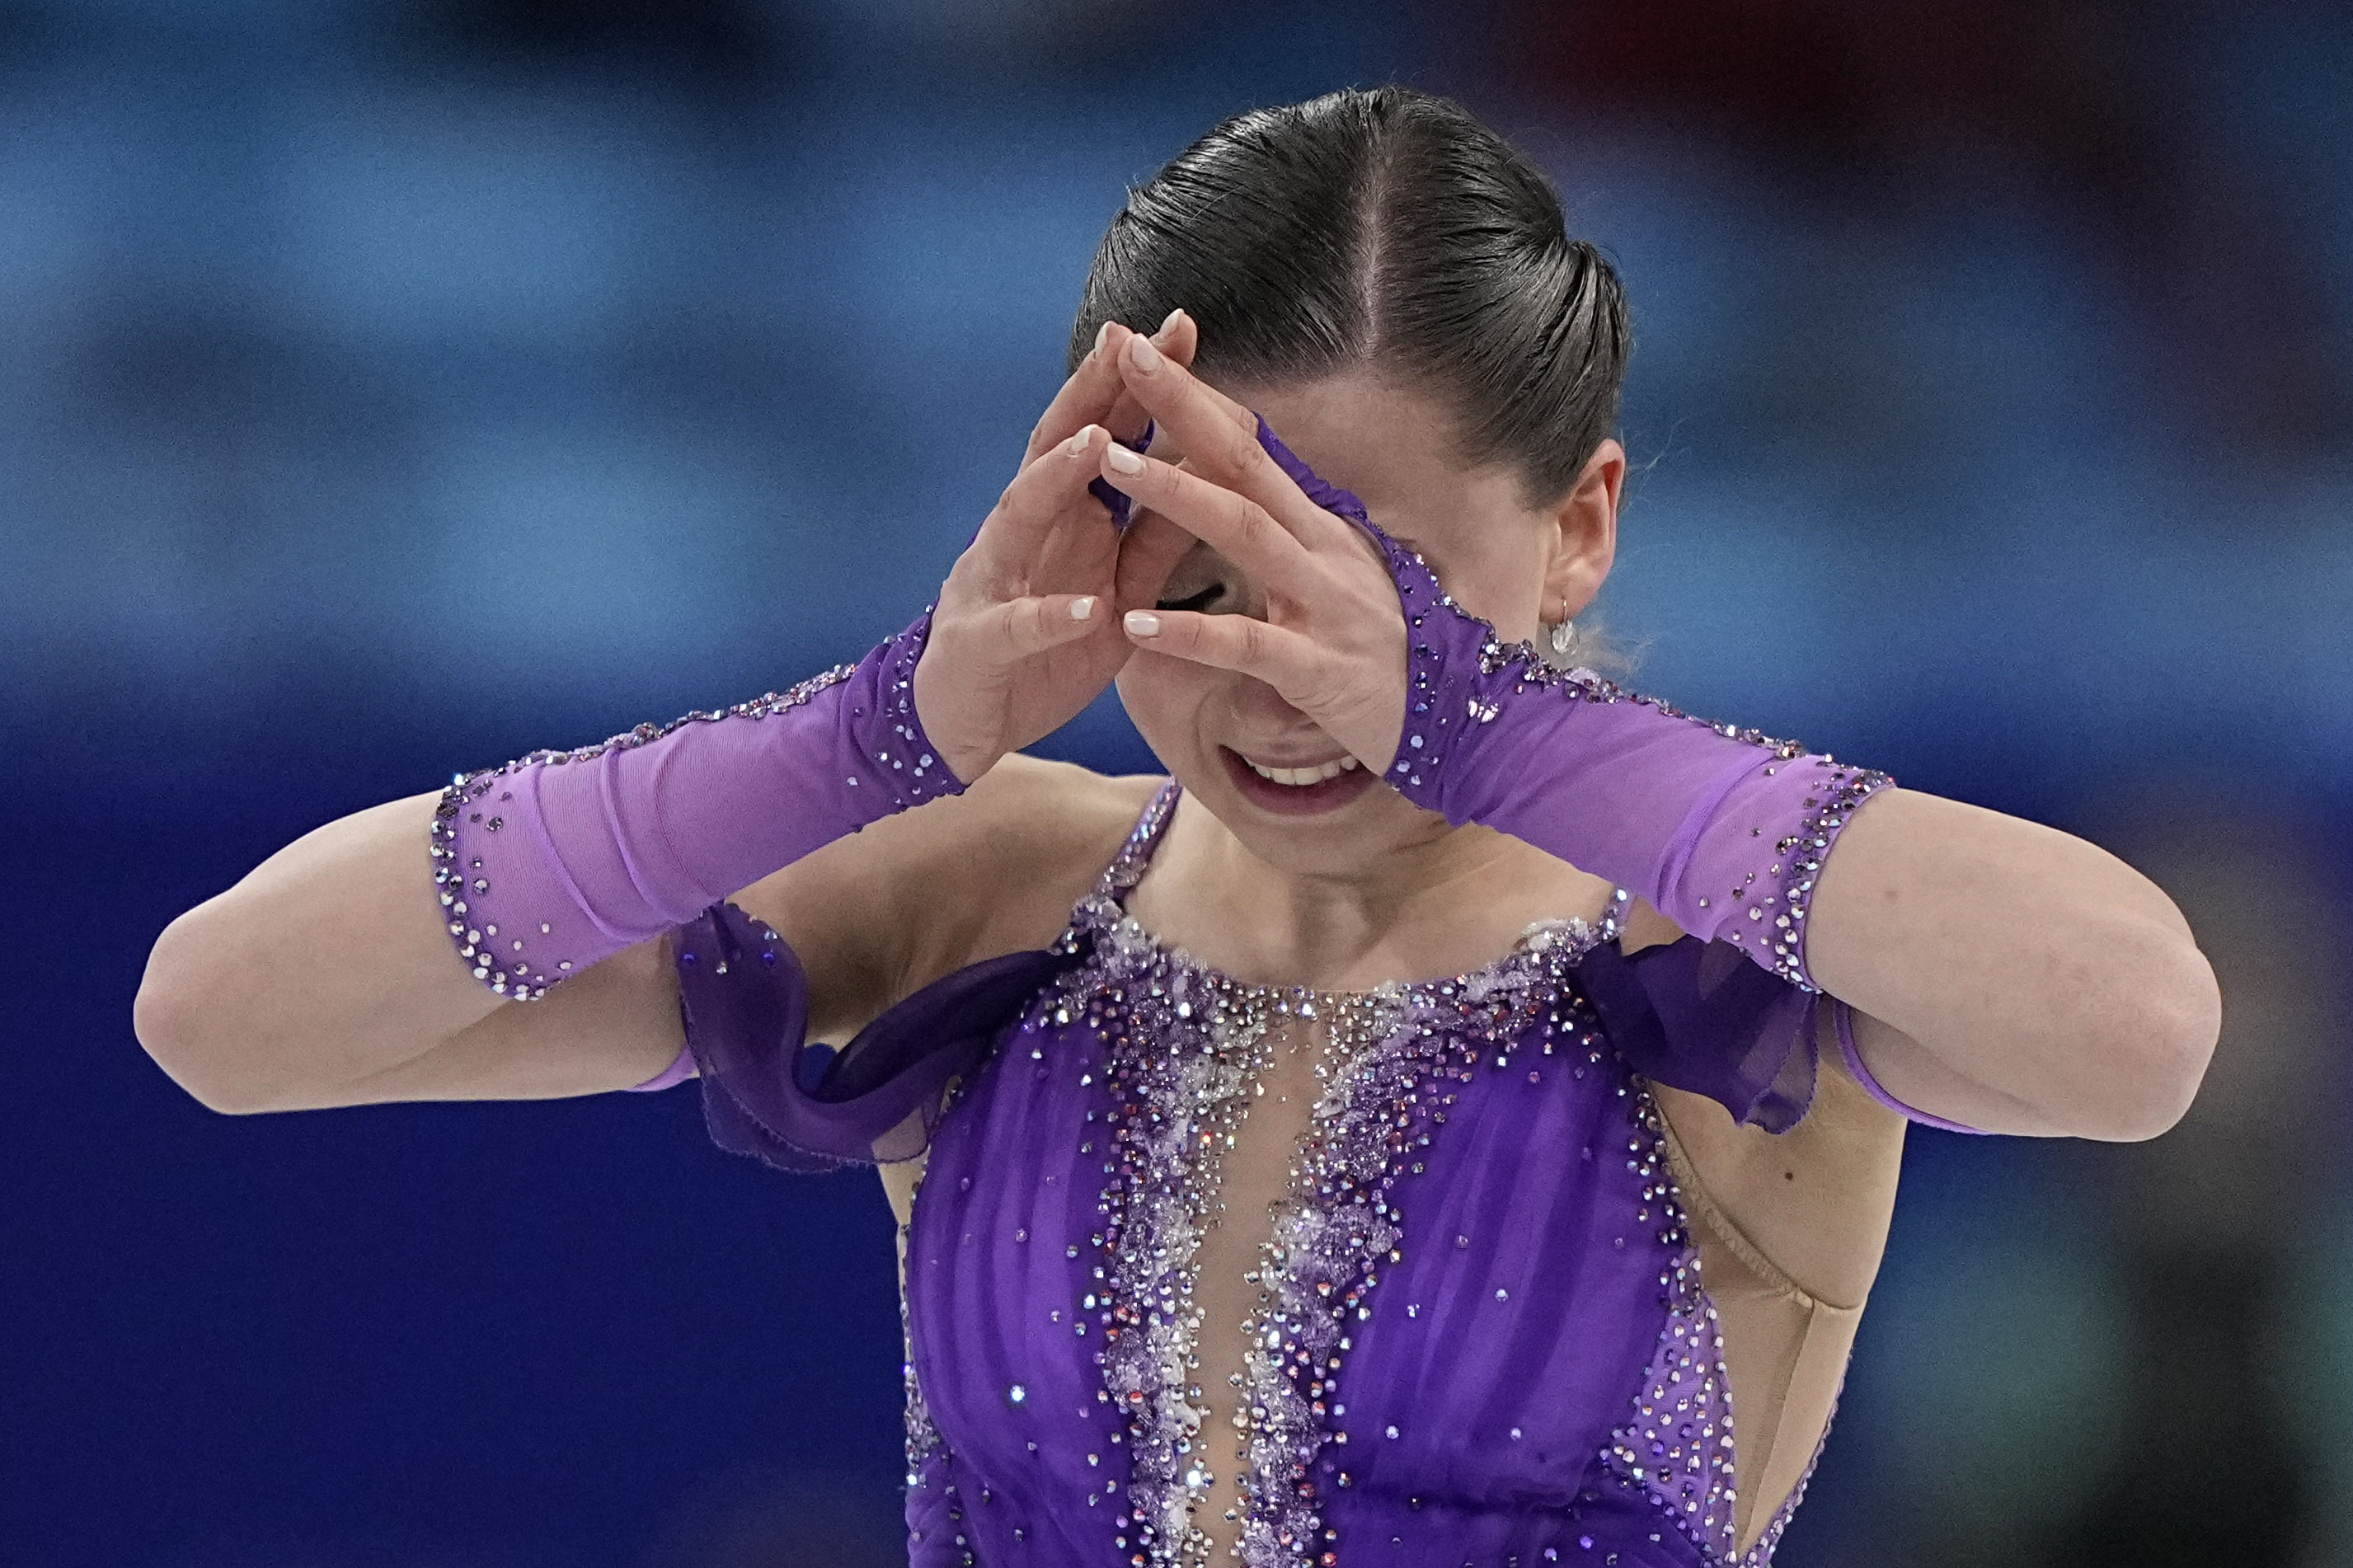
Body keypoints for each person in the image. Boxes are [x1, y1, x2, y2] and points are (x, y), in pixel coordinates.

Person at [134, 87, 2220, 1568]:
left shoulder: (1707, 952)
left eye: (1366, 598)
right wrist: (864, 738)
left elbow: (2131, 1024)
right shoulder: (986, 895)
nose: (1281, 680)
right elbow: (228, 1018)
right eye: (1202, 584)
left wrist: (1492, 736)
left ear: (1580, 522)